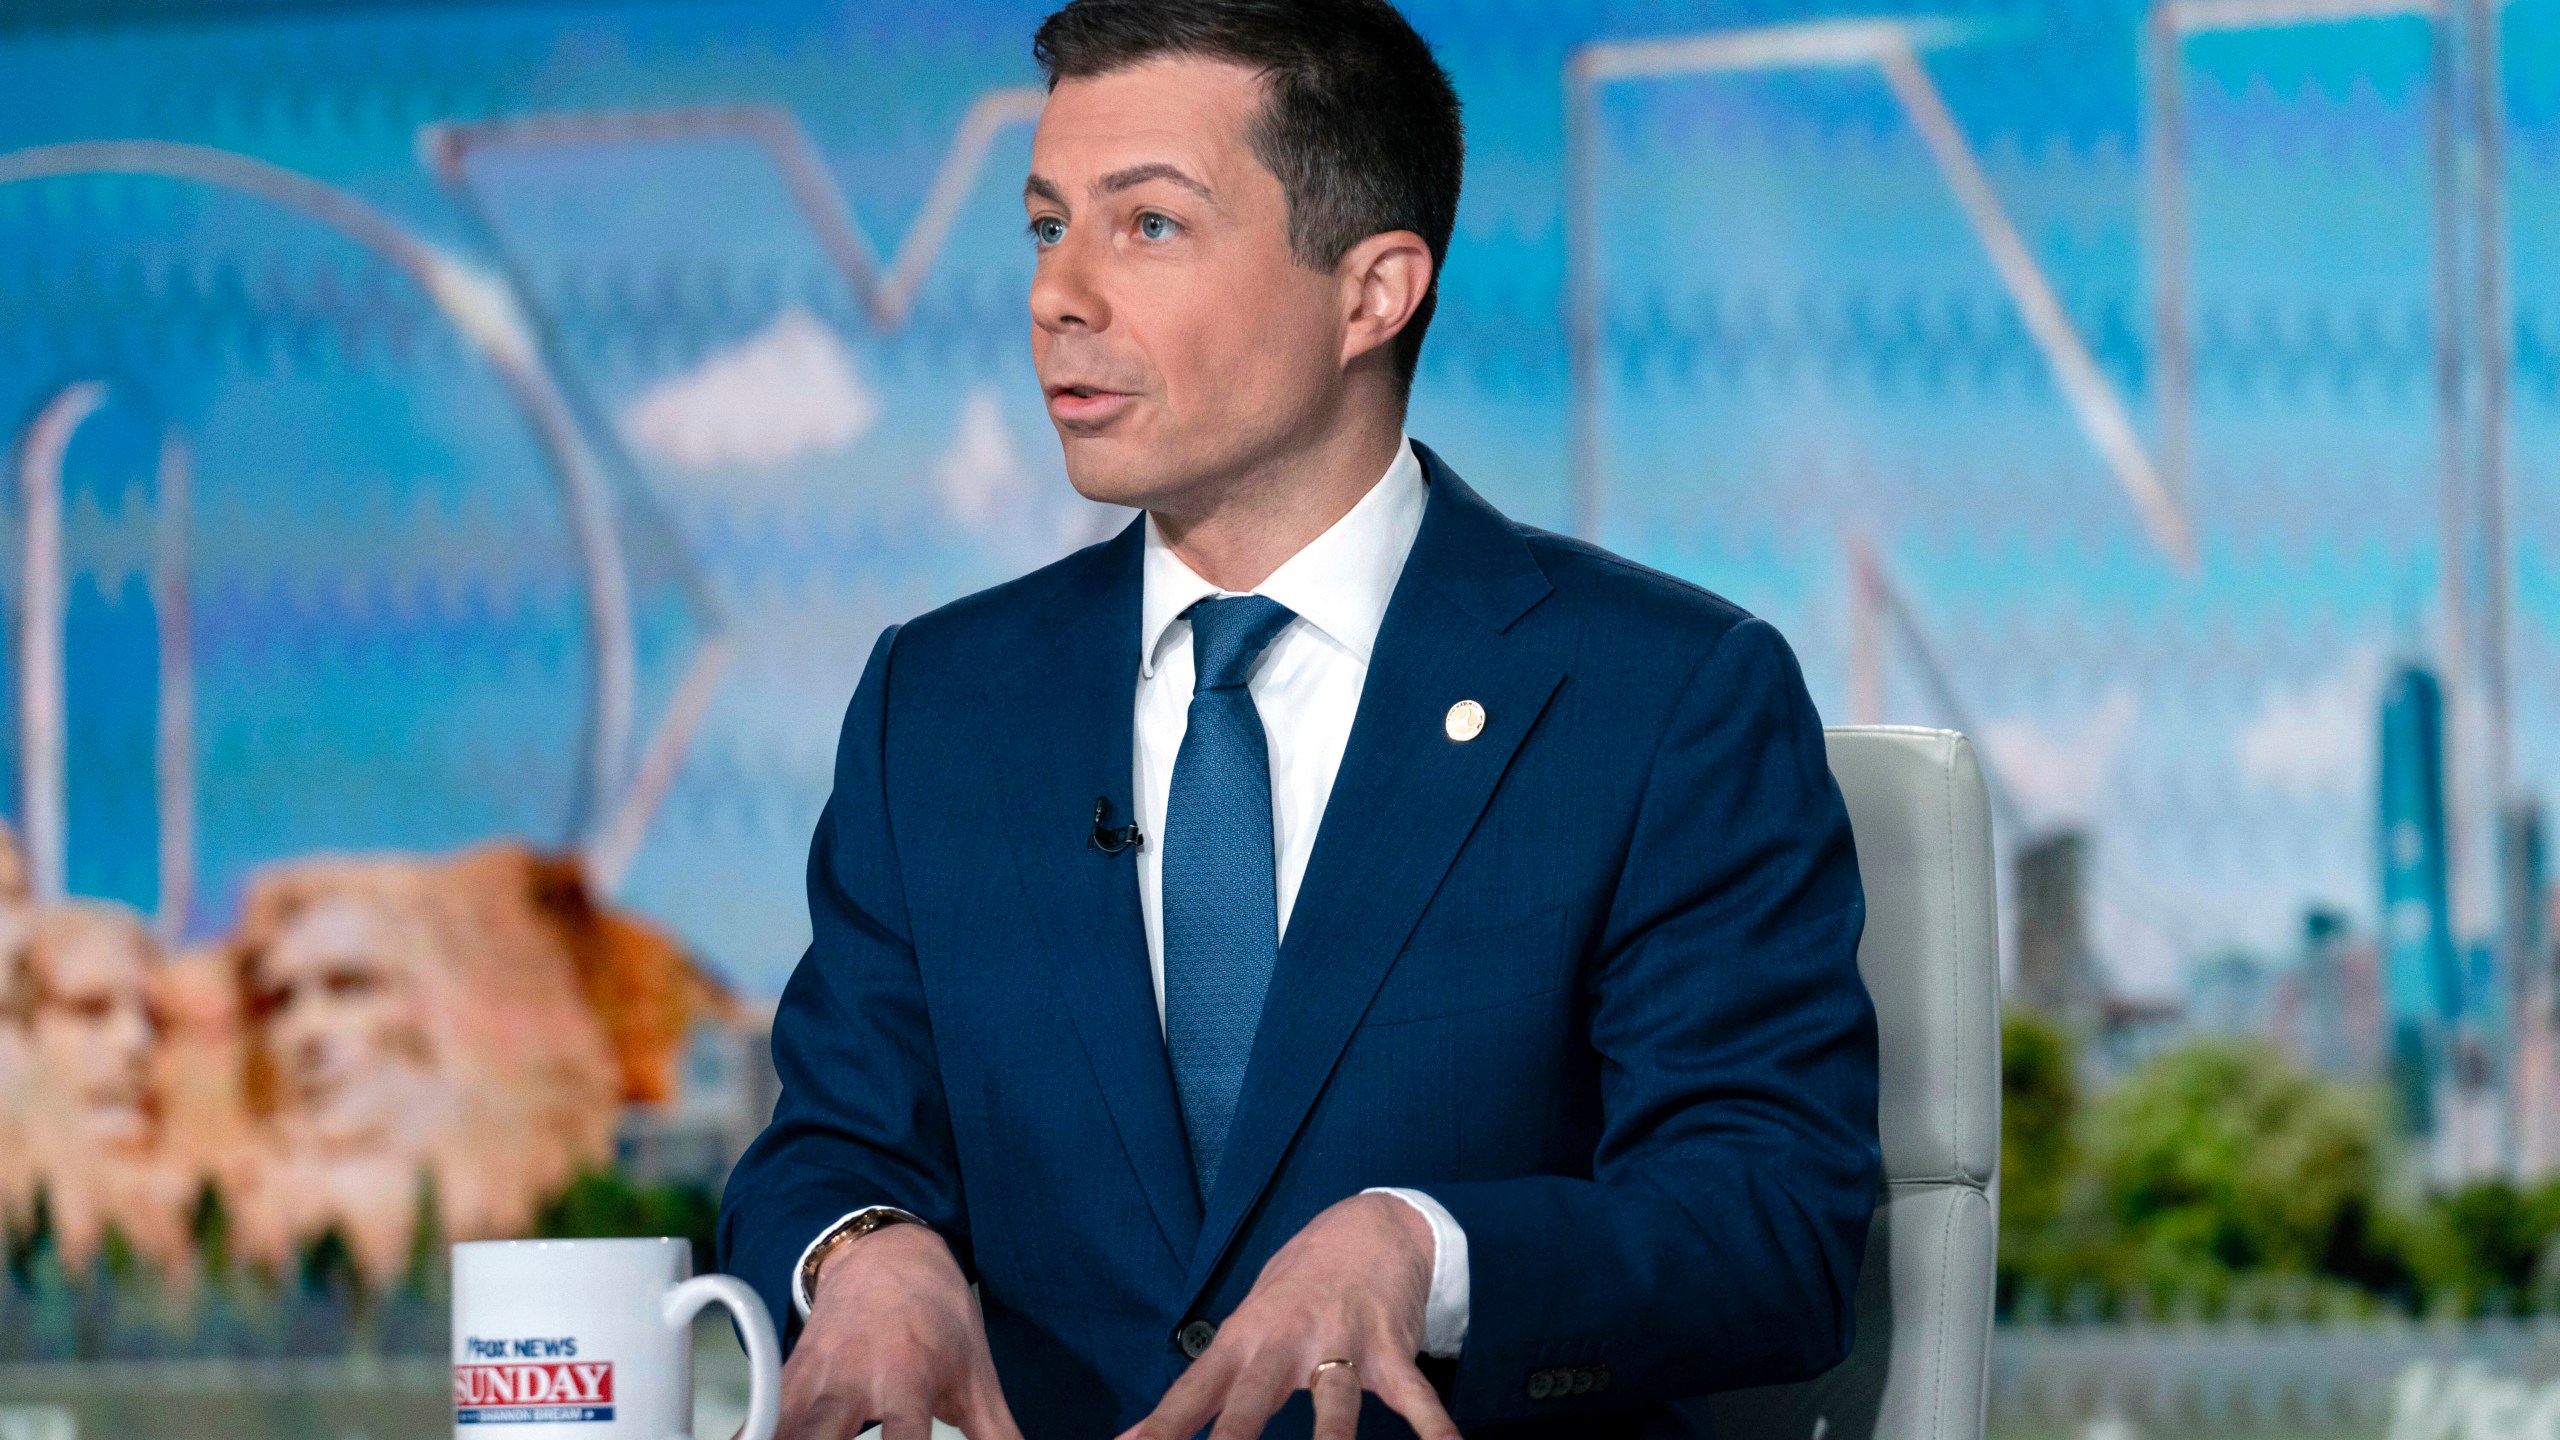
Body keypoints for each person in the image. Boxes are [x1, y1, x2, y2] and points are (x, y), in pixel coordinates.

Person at [718, 2, 1880, 1436]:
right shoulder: (937, 707)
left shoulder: (1664, 698)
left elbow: (1770, 1224)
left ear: (1371, 292)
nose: (1057, 295)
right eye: (1043, 226)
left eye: (1147, 227)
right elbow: (826, 1143)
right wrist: (863, 1254)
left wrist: (1425, 1251)